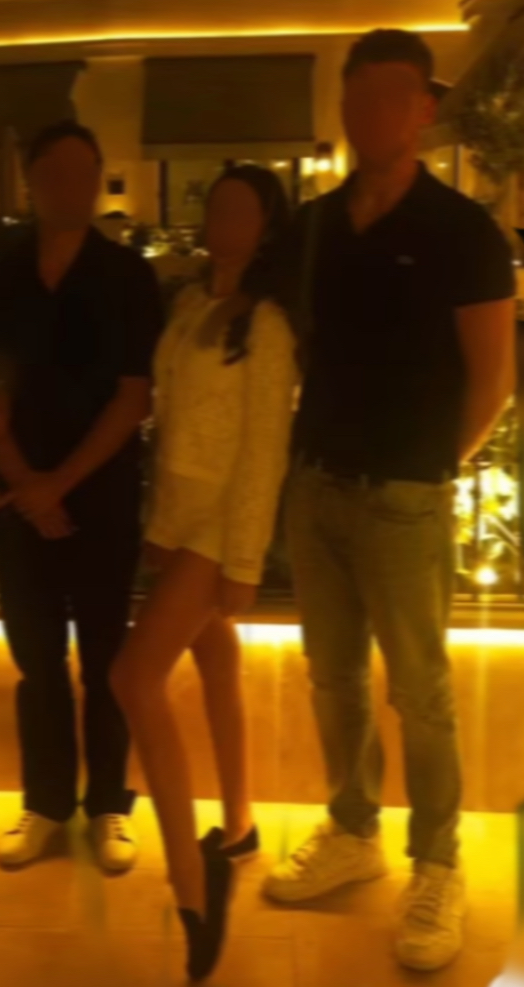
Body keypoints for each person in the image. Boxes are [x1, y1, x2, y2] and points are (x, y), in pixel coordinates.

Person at [263, 29, 516, 973]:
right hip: (315, 485)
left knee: (421, 691)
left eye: (389, 95)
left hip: (404, 496)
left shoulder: (462, 231)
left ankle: (437, 861)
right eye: (356, 94)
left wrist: (425, 470)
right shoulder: (315, 225)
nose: (369, 112)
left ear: (422, 107)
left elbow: (491, 381)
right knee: (330, 676)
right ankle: (352, 828)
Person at [110, 165, 299, 981]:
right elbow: (172, 423)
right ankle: (241, 823)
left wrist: (244, 561)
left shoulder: (269, 325)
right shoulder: (190, 304)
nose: (221, 216)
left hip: (221, 526)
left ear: (266, 227)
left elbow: (263, 451)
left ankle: (194, 886)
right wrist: (159, 526)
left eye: (239, 208)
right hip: (181, 518)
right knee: (215, 656)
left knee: (133, 678)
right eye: (215, 203)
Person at [0, 121, 163, 873]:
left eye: (87, 173)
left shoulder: (126, 277)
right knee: (37, 660)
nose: (73, 187)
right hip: (22, 505)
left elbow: (133, 398)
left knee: (107, 659)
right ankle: (46, 802)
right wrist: (28, 485)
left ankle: (109, 803)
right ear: (31, 182)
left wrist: (58, 483)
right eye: (58, 173)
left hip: (101, 497)